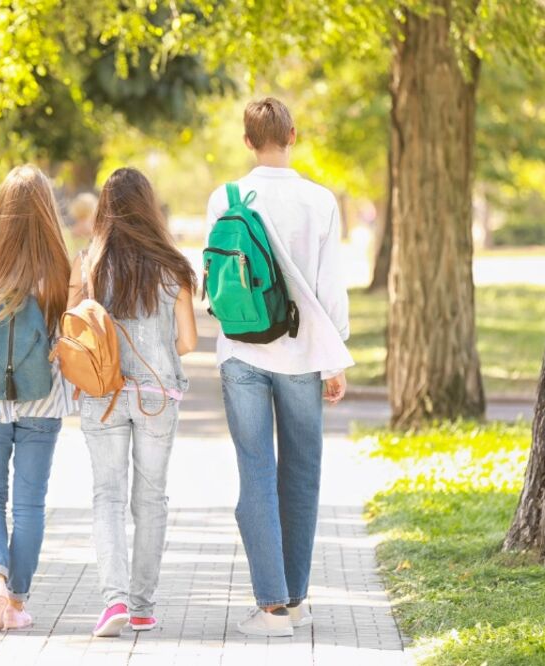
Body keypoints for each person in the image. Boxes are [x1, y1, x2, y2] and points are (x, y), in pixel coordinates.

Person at [205, 98, 353, 637]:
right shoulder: (320, 201)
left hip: (240, 351)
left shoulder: (224, 197)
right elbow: (330, 288)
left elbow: (217, 275)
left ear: (247, 140)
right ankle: (295, 599)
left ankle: (269, 609)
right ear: (293, 134)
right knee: (301, 474)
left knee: (256, 474)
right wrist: (335, 357)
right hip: (301, 353)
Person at [67, 167, 198, 637]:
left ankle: (114, 602)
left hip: (102, 393)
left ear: (105, 209)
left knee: (107, 495)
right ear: (149, 207)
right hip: (157, 395)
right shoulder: (173, 266)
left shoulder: (90, 263)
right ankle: (142, 605)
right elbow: (186, 343)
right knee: (151, 498)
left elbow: (74, 327)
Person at [0, 165, 73, 632]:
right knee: (29, 503)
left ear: (1, 209)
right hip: (43, 398)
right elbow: (68, 332)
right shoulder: (59, 268)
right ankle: (18, 603)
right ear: (46, 210)